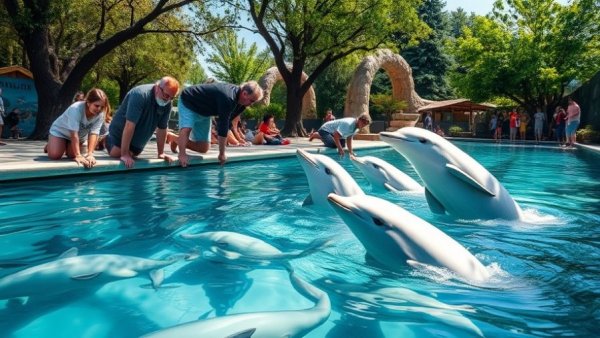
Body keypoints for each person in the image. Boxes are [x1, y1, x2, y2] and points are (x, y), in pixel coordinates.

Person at [173, 81, 263, 167]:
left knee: (203, 148)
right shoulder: (228, 97)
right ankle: (181, 153)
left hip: (205, 112)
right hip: (189, 101)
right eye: (252, 101)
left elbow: (227, 123)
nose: (251, 104)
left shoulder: (242, 105)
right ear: (244, 94)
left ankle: (174, 139)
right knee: (186, 129)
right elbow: (222, 126)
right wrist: (222, 154)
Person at [107, 76, 179, 168]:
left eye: (171, 98)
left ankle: (128, 151)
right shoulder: (140, 95)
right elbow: (130, 124)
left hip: (137, 144)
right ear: (157, 87)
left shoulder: (167, 103)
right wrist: (124, 154)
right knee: (117, 153)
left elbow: (162, 128)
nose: (168, 99)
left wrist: (161, 153)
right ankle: (104, 140)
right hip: (118, 137)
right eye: (166, 95)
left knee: (133, 154)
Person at [45, 88, 110, 168]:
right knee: (55, 155)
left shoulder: (100, 114)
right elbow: (74, 134)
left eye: (102, 107)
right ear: (88, 102)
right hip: (61, 132)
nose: (99, 109)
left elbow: (94, 133)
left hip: (78, 137)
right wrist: (78, 155)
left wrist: (90, 154)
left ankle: (63, 145)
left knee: (72, 155)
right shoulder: (76, 109)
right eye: (96, 105)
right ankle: (51, 145)